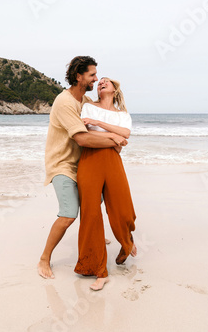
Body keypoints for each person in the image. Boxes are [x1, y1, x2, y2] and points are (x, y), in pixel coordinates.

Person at [37, 57, 128, 279]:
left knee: (95, 203)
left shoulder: (86, 100)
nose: (96, 79)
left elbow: (103, 124)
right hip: (62, 165)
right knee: (69, 214)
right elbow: (83, 139)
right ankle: (44, 259)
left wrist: (116, 135)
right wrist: (117, 140)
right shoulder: (65, 102)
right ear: (79, 76)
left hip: (82, 164)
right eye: (92, 75)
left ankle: (97, 237)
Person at [74, 77, 137, 290]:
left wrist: (100, 124)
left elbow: (126, 135)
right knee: (91, 213)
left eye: (106, 81)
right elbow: (86, 134)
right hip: (90, 159)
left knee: (122, 210)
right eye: (99, 81)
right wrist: (114, 136)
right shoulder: (88, 107)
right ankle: (98, 270)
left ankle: (127, 242)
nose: (101, 82)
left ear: (115, 89)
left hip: (112, 161)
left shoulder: (123, 115)